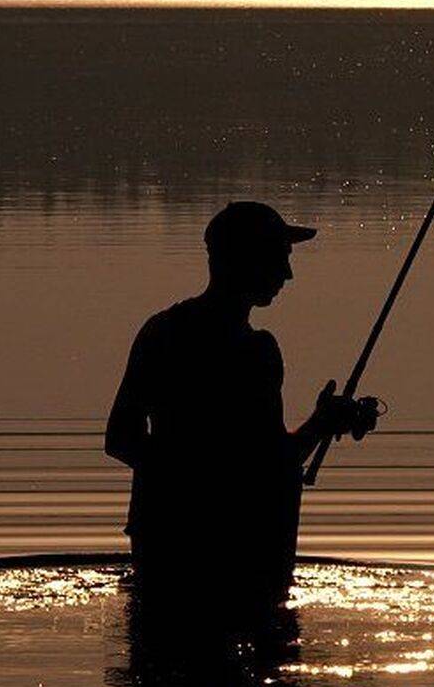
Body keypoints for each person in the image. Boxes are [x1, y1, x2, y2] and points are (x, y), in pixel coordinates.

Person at [104, 200, 379, 608]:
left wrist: (181, 482)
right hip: (245, 556)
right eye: (278, 259)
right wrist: (321, 424)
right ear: (245, 260)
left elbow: (120, 440)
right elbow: (270, 463)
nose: (288, 273)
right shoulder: (255, 352)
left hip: (162, 548)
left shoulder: (161, 331)